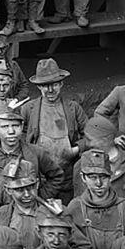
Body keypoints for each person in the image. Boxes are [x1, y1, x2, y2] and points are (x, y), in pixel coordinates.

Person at [22, 58, 87, 192]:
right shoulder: (28, 109)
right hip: (40, 174)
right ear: (39, 86)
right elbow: (20, 137)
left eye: (54, 84)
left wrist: (74, 150)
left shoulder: (73, 108)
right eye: (45, 85)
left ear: (61, 84)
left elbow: (91, 135)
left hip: (67, 173)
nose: (50, 90)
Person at [0, 106, 66, 200]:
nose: (11, 131)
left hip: (26, 206)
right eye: (4, 127)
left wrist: (39, 197)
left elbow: (57, 177)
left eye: (15, 126)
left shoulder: (36, 152)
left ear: (21, 127)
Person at [71, 117, 125, 202]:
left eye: (90, 140)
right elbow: (78, 202)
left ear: (105, 140)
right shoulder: (80, 165)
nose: (87, 144)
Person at [0, 31, 30, 101]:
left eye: (3, 48)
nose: (0, 52)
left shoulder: (13, 65)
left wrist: (16, 99)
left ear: (7, 47)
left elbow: (24, 86)